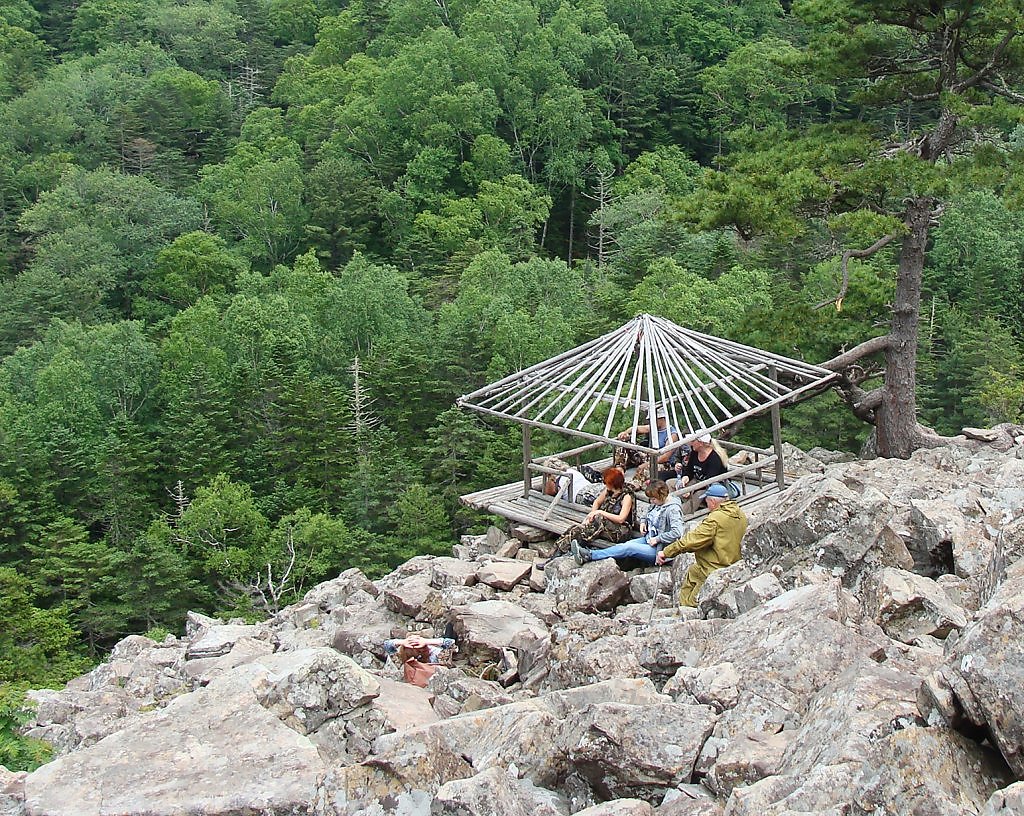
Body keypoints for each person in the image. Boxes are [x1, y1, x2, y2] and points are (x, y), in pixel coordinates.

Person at [656, 482, 746, 607]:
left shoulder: (715, 519)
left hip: (714, 568)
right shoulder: (740, 514)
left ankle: (685, 612)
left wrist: (666, 552)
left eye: (707, 501)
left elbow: (692, 540)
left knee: (691, 600)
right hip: (734, 564)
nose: (706, 504)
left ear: (713, 502)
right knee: (693, 571)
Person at [571, 480, 685, 568]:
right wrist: (643, 522)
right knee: (624, 546)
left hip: (661, 549)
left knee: (629, 548)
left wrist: (659, 539)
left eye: (653, 499)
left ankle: (590, 555)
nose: (651, 502)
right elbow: (649, 512)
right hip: (648, 539)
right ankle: (591, 554)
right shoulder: (657, 503)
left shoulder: (673, 510)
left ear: (661, 496)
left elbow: (677, 532)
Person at [539, 466, 634, 569]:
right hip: (602, 525)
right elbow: (597, 502)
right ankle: (554, 556)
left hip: (620, 530)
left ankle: (577, 544)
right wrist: (592, 514)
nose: (605, 484)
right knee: (574, 529)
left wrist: (599, 513)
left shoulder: (626, 496)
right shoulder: (608, 491)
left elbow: (621, 518)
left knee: (597, 519)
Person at [612, 411, 682, 482]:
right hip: (650, 456)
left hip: (663, 463)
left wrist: (647, 464)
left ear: (662, 419)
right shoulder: (654, 428)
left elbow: (665, 457)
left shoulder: (672, 435)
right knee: (623, 442)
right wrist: (625, 433)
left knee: (646, 469)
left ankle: (634, 484)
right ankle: (620, 468)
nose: (651, 422)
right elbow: (637, 428)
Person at [675, 433, 728, 513]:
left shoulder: (715, 458)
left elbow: (710, 481)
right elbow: (689, 470)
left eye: (693, 441)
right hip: (696, 481)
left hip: (711, 486)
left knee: (698, 494)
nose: (690, 443)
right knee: (670, 483)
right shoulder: (694, 453)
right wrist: (685, 478)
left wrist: (691, 489)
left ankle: (681, 512)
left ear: (701, 443)